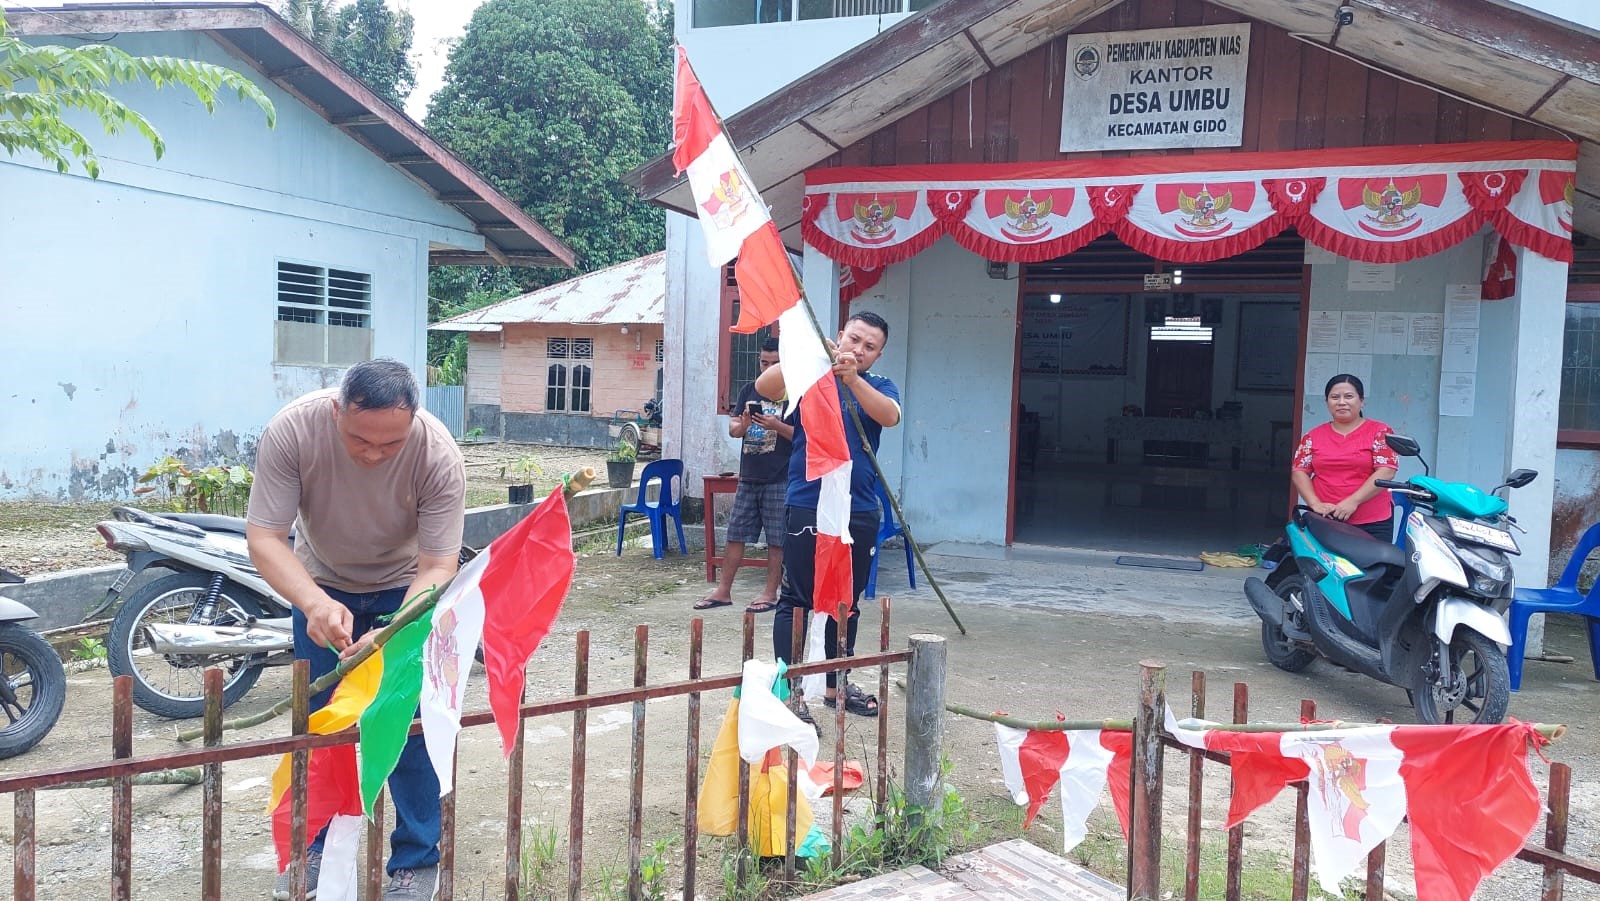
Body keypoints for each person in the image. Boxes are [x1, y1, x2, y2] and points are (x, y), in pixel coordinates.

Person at [247, 359, 465, 901]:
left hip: (404, 591)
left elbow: (439, 565)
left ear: (413, 422)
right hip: (320, 585)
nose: (373, 454)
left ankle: (416, 861)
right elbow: (266, 537)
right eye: (359, 439)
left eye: (390, 445)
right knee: (322, 729)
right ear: (336, 410)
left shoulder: (438, 454)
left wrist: (394, 630)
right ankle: (313, 849)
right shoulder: (293, 430)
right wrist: (314, 602)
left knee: (409, 725)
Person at [755, 311, 900, 718]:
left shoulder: (877, 386)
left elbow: (889, 415)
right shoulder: (810, 377)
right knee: (797, 598)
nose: (858, 350)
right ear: (840, 335)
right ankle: (791, 688)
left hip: (857, 507)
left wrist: (853, 379)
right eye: (854, 339)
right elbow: (765, 386)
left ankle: (836, 684)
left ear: (878, 356)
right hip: (808, 501)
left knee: (845, 601)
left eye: (869, 347)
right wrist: (807, 353)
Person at [697, 338, 794, 613]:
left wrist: (777, 425)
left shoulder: (795, 392)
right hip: (749, 474)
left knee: (777, 539)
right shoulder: (749, 390)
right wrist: (745, 423)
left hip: (781, 476)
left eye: (775, 363)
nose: (768, 367)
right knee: (735, 533)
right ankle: (723, 590)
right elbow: (734, 430)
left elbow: (804, 436)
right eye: (765, 362)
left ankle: (770, 593)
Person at [1291, 373, 1400, 543]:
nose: (1341, 402)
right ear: (1327, 402)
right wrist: (1315, 504)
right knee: (1327, 568)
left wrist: (1353, 502)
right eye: (1335, 397)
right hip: (1325, 519)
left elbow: (1387, 471)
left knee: (1374, 567)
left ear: (1361, 400)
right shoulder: (1313, 436)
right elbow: (1299, 472)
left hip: (1372, 519)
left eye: (1348, 396)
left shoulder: (1380, 431)